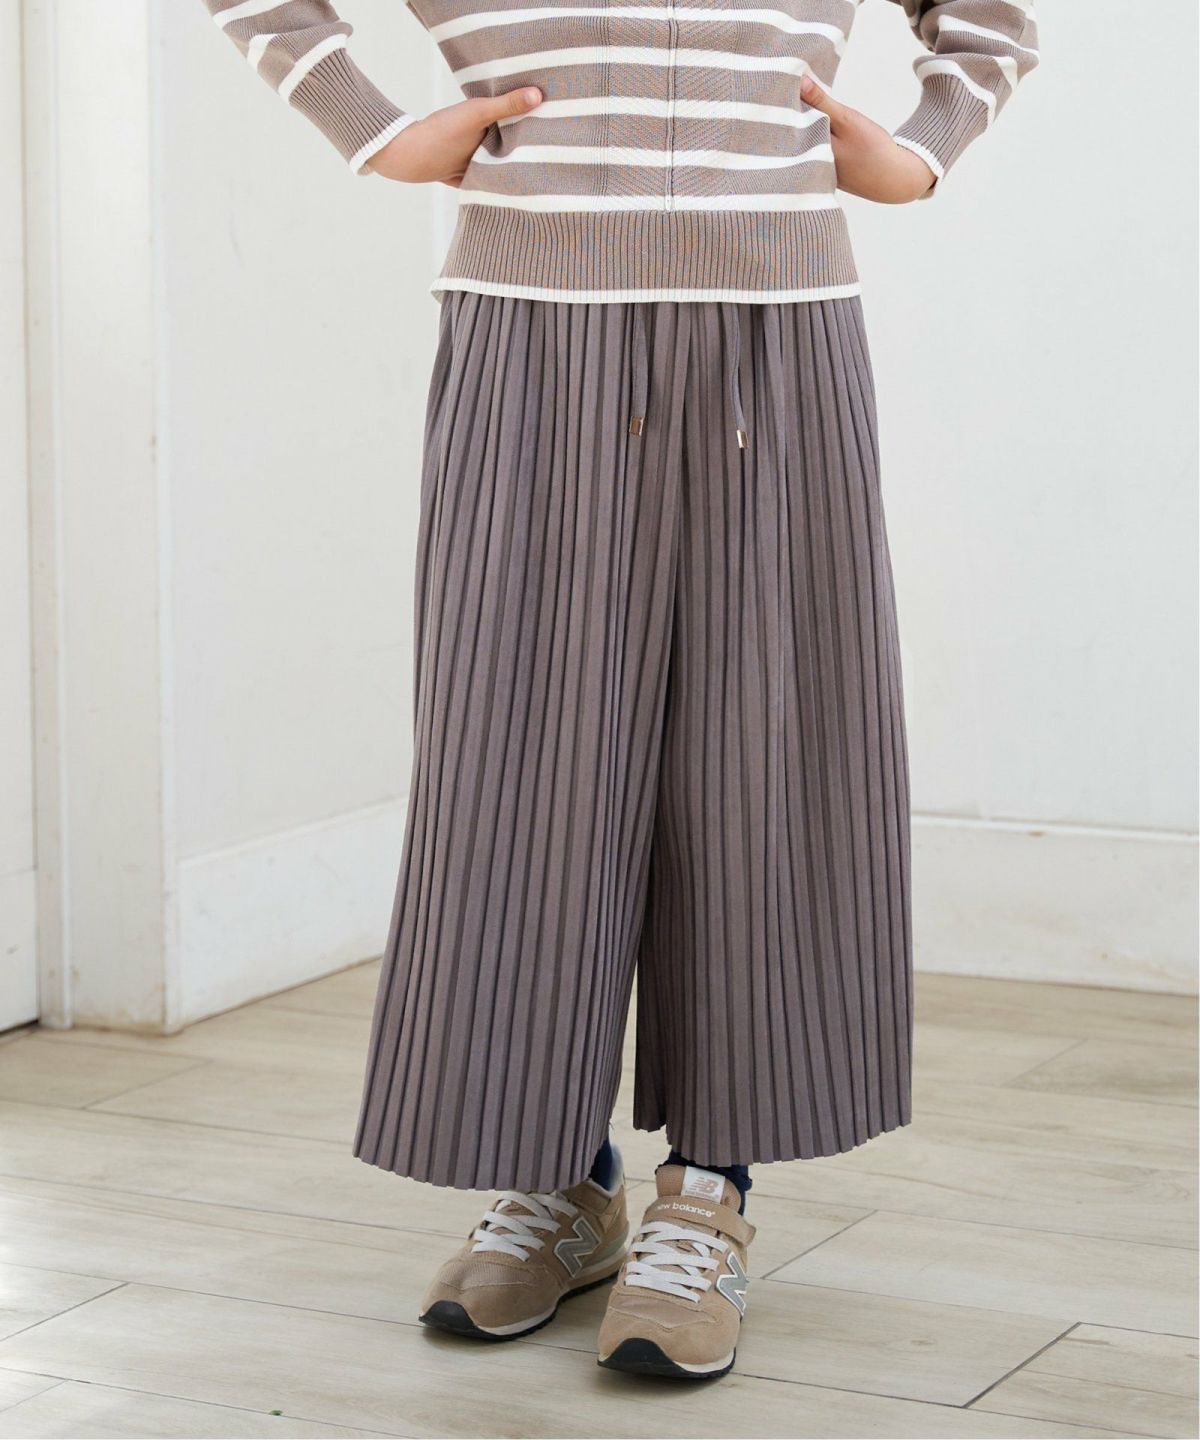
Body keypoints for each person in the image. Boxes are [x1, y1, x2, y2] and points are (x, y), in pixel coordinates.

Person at [201, 0, 1037, 1381]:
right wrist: (374, 130)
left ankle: (711, 1189)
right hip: (530, 329)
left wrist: (928, 146)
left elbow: (988, 20)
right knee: (517, 763)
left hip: (778, 326)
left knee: (762, 759)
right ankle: (559, 1179)